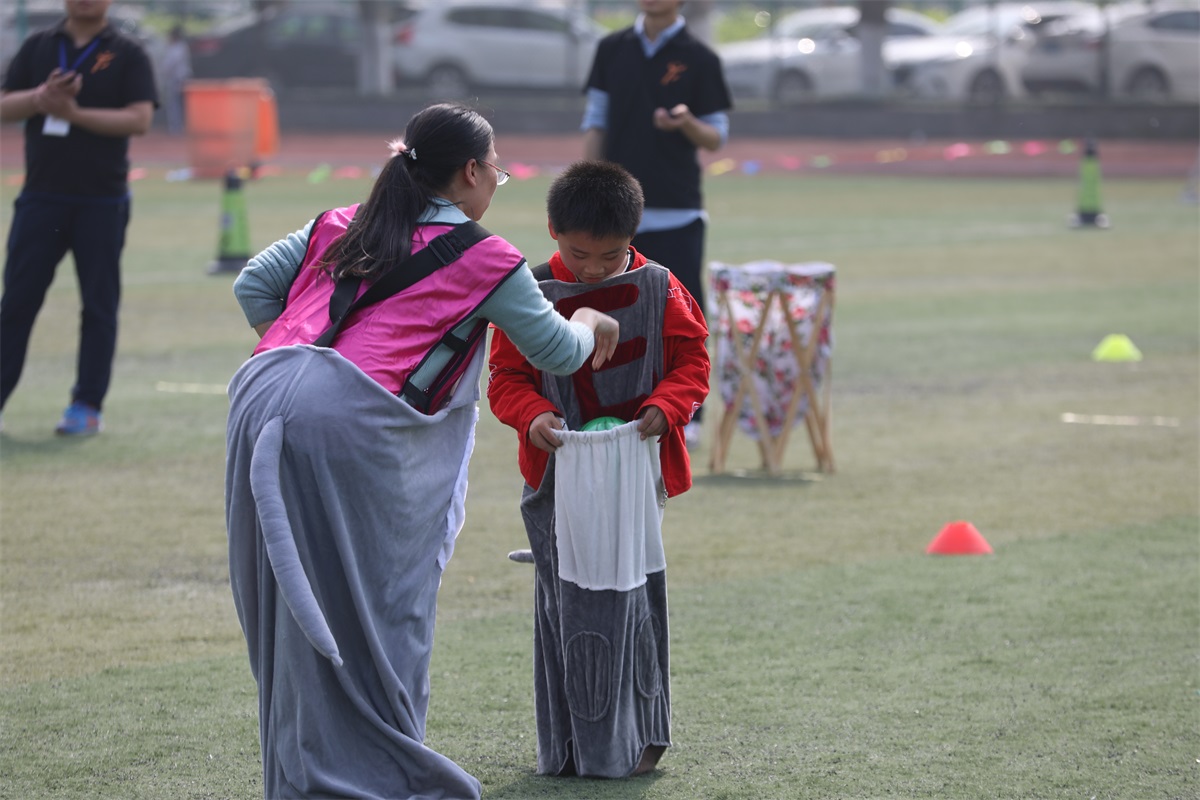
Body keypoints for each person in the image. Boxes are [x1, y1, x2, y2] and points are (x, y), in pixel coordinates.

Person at [225, 103, 619, 800]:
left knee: (288, 615)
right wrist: (589, 317)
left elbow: (254, 286)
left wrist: (309, 365)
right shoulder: (486, 256)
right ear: (469, 171)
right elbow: (557, 350)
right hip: (354, 420)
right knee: (384, 610)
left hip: (259, 389)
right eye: (496, 167)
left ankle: (299, 777)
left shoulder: (338, 222)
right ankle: (380, 777)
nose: (497, 180)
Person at [487, 160, 710, 778]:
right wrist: (531, 415)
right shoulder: (529, 290)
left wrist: (667, 407)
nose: (593, 268)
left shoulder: (662, 286)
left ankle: (640, 742)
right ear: (553, 230)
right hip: (555, 478)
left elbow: (693, 362)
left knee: (638, 599)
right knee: (565, 605)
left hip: (636, 475)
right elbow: (504, 377)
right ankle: (568, 748)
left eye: (610, 256)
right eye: (580, 254)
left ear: (633, 238)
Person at [0, 0, 157, 435]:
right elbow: (4, 105)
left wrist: (74, 114)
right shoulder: (38, 46)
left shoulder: (128, 52)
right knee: (16, 302)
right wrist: (40, 98)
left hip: (101, 202)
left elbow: (139, 118)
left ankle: (86, 405)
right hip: (41, 197)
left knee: (98, 306)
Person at [581, 0, 731, 448]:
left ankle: (690, 413)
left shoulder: (701, 58)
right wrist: (587, 187)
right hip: (617, 211)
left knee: (681, 314)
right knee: (612, 309)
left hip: (676, 207)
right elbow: (595, 121)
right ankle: (615, 406)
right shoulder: (612, 48)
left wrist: (686, 122)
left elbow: (717, 135)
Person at [160, 23, 190, 135]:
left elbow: (170, 64)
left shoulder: (178, 48)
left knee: (175, 104)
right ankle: (176, 126)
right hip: (176, 78)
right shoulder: (176, 47)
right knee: (175, 104)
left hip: (177, 79)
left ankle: (176, 127)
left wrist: (164, 71)